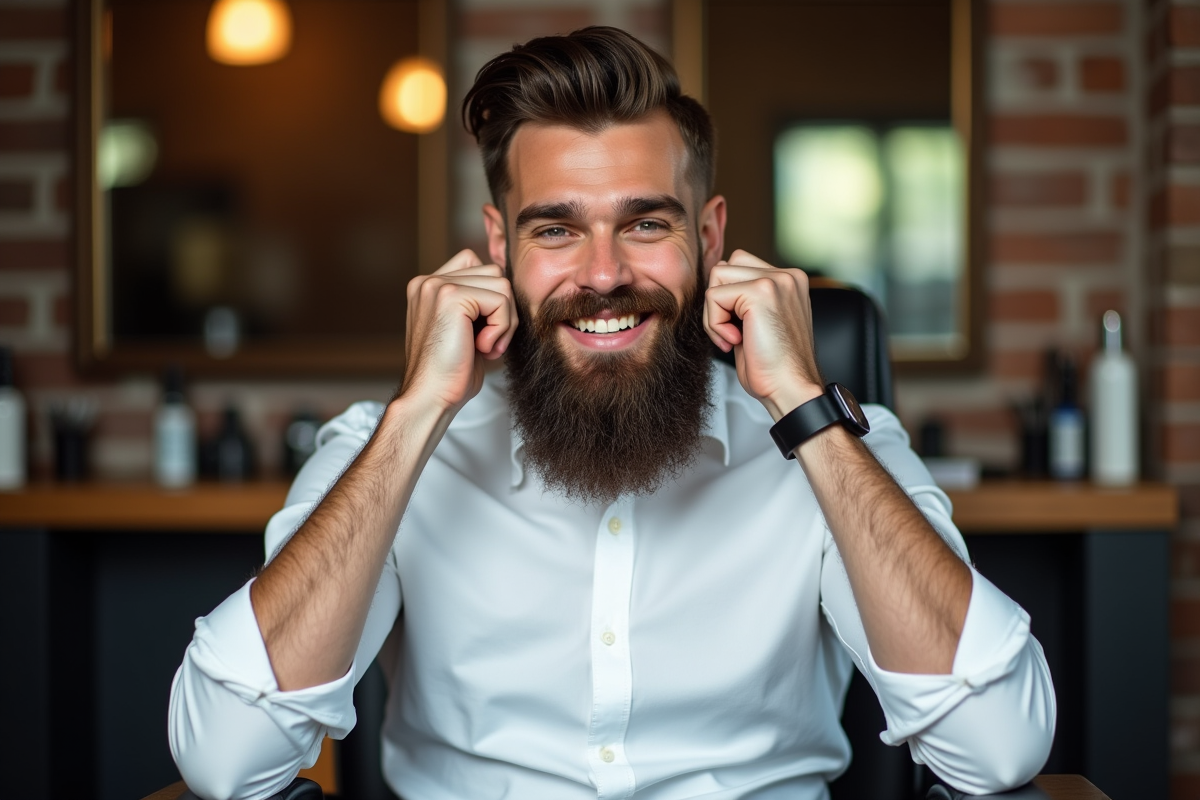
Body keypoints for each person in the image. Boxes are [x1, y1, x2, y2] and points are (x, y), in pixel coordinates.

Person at [169, 26, 1055, 800]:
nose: (601, 275)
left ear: (708, 240)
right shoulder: (381, 444)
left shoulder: (839, 442)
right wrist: (418, 417)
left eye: (644, 225)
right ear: (496, 248)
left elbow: (996, 750)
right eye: (555, 229)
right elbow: (227, 759)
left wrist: (797, 404)